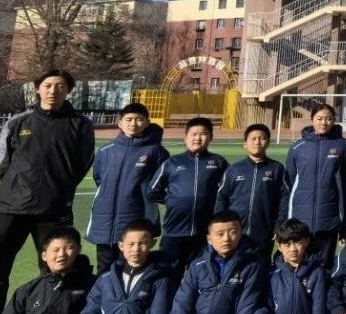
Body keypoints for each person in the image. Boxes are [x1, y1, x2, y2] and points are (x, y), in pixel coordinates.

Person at [0, 69, 95, 314]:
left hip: (53, 210)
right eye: (47, 85)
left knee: (55, 271)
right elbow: (3, 162)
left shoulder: (80, 124)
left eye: (60, 86)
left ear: (68, 91)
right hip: (10, 207)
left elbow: (83, 163)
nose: (53, 90)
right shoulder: (18, 121)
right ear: (37, 89)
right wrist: (17, 187)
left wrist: (58, 188)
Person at [85, 102, 168, 275]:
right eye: (129, 119)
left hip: (136, 219)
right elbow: (99, 178)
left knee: (132, 269)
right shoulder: (106, 150)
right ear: (120, 123)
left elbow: (161, 184)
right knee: (104, 271)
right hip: (104, 221)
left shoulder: (156, 152)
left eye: (139, 119)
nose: (133, 123)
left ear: (147, 122)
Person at [146, 117, 229, 270]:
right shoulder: (172, 163)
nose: (198, 138)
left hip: (205, 233)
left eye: (203, 134)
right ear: (185, 138)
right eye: (193, 134)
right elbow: (152, 191)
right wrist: (171, 200)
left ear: (211, 137)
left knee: (201, 274)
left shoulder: (219, 162)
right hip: (174, 231)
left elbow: (229, 191)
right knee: (170, 274)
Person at [284, 104, 346, 268]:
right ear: (312, 119)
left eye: (328, 119)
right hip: (301, 219)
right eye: (319, 118)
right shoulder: (297, 147)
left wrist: (343, 223)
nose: (324, 123)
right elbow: (291, 181)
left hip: (329, 219)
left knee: (324, 267)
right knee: (300, 266)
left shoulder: (343, 146)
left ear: (334, 120)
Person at [216, 124, 289, 251]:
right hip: (235, 231)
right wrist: (220, 223)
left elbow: (284, 199)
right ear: (245, 144)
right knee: (235, 261)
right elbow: (221, 198)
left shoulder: (277, 168)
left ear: (268, 142)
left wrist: (279, 225)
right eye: (253, 138)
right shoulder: (234, 169)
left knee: (261, 261)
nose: (257, 142)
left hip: (264, 231)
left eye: (262, 138)